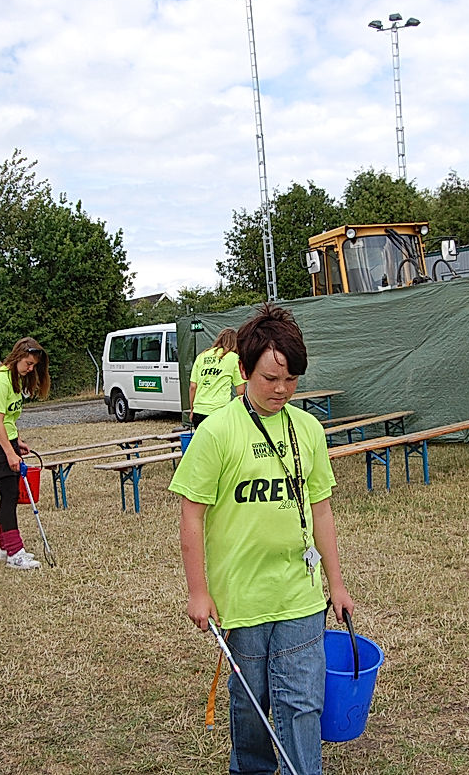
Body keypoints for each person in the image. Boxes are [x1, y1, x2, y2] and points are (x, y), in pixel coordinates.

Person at [170, 303, 354, 775]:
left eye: (291, 379)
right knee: (250, 705)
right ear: (245, 370)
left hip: (300, 594)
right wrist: (198, 591)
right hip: (242, 601)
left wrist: (337, 584)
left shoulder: (308, 429)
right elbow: (192, 516)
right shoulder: (216, 433)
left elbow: (321, 509)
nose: (281, 390)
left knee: (301, 702)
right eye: (270, 378)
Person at [0, 337, 51, 570]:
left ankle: (5, 546)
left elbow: (8, 419)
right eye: (28, 363)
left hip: (4, 440)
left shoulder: (15, 380)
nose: (30, 368)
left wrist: (17, 441)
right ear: (17, 356)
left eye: (34, 366)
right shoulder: (0, 381)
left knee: (8, 494)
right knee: (9, 493)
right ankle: (14, 553)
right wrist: (10, 453)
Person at [189, 327, 246, 428]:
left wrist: (192, 409)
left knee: (203, 443)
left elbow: (193, 386)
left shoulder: (202, 356)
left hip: (199, 412)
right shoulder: (233, 358)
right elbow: (240, 392)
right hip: (220, 411)